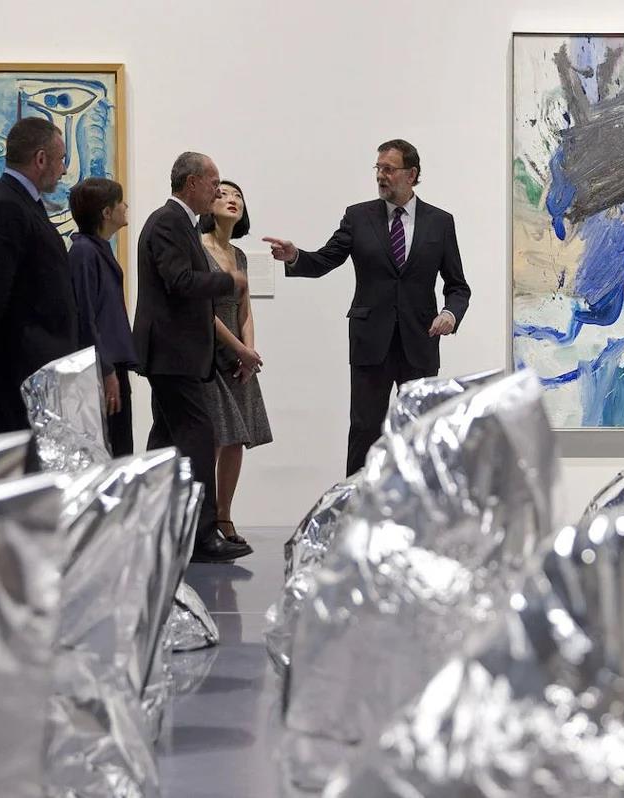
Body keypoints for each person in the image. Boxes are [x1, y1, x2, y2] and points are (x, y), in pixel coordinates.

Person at [264, 138, 471, 476]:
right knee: (364, 429)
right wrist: (295, 256)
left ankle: (415, 505)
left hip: (420, 340)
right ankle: (356, 502)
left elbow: (458, 286)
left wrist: (450, 313)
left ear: (411, 174)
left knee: (418, 432)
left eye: (388, 169)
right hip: (370, 340)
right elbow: (325, 260)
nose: (380, 176)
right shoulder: (358, 217)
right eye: (378, 168)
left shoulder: (440, 222)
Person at [133, 152, 251, 563]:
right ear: (191, 183)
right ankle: (202, 535)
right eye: (213, 182)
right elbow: (180, 282)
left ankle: (154, 527)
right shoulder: (168, 222)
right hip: (173, 354)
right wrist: (227, 280)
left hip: (177, 354)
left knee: (165, 443)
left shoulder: (178, 223)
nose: (218, 191)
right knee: (199, 439)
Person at [0, 117, 78, 432]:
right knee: (19, 450)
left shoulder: (22, 202)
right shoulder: (5, 206)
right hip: (23, 363)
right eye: (60, 159)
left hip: (37, 361)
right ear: (40, 159)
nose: (63, 169)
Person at [198, 180, 272, 547]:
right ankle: (204, 521)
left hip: (239, 356)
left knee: (236, 439)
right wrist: (239, 349)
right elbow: (203, 311)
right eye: (223, 194)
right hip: (210, 350)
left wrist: (249, 353)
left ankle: (224, 516)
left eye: (238, 195)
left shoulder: (239, 255)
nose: (231, 199)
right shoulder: (199, 247)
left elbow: (245, 309)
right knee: (214, 436)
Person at [68, 177, 137, 456]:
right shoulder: (84, 252)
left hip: (109, 366)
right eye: (120, 202)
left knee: (121, 449)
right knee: (111, 452)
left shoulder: (97, 248)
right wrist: (106, 370)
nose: (126, 206)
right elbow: (85, 316)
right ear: (106, 212)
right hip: (99, 369)